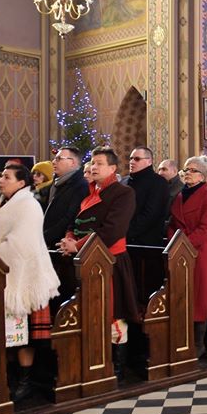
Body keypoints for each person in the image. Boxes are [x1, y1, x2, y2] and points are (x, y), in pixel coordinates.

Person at [0, 163, 59, 401]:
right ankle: (10, 377)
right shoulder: (1, 203)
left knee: (24, 335)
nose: (1, 180)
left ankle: (25, 381)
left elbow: (20, 244)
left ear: (21, 183)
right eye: (1, 176)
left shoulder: (29, 205)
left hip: (23, 277)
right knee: (6, 333)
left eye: (7, 177)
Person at [57, 147, 139, 379]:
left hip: (109, 262)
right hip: (85, 261)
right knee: (90, 312)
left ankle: (116, 367)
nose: (93, 167)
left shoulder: (124, 193)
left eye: (99, 163)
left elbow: (112, 230)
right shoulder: (89, 192)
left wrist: (77, 245)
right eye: (92, 162)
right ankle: (94, 361)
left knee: (113, 313)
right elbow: (75, 222)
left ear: (112, 168)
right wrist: (69, 239)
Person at [167, 156, 207, 357]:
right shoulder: (180, 196)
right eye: (185, 170)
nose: (187, 173)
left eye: (192, 170)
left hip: (199, 252)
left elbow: (206, 228)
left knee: (198, 295)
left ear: (202, 176)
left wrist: (184, 245)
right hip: (178, 250)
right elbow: (172, 223)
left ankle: (198, 343)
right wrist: (174, 242)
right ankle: (180, 339)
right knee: (180, 293)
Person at [43, 147, 90, 249]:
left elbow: (69, 218)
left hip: (63, 245)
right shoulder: (55, 183)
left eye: (59, 159)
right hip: (48, 242)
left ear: (72, 162)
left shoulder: (81, 186)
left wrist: (44, 237)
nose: (53, 162)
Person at [125, 146, 171, 246]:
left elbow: (151, 214)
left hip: (146, 242)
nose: (132, 162)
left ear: (149, 161)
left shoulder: (158, 182)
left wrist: (127, 233)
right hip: (122, 239)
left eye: (137, 159)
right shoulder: (124, 181)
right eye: (131, 158)